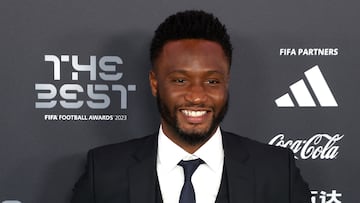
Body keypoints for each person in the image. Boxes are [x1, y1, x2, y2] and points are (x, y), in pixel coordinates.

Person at [71, 10, 311, 203]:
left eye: (212, 81)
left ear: (226, 83)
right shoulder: (103, 172)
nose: (197, 97)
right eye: (180, 80)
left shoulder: (277, 172)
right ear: (155, 83)